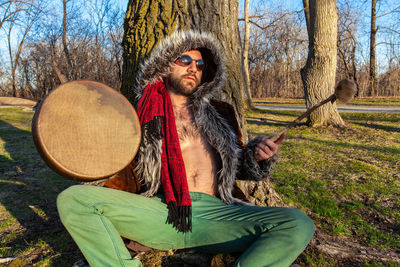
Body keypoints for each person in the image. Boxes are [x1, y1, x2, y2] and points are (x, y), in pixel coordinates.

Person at [57, 30, 314, 267]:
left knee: (298, 223)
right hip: (161, 211)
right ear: (165, 64)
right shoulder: (138, 114)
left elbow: (236, 168)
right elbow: (116, 167)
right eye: (185, 60)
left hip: (219, 213)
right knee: (73, 199)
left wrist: (257, 156)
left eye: (200, 65)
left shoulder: (220, 113)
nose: (194, 68)